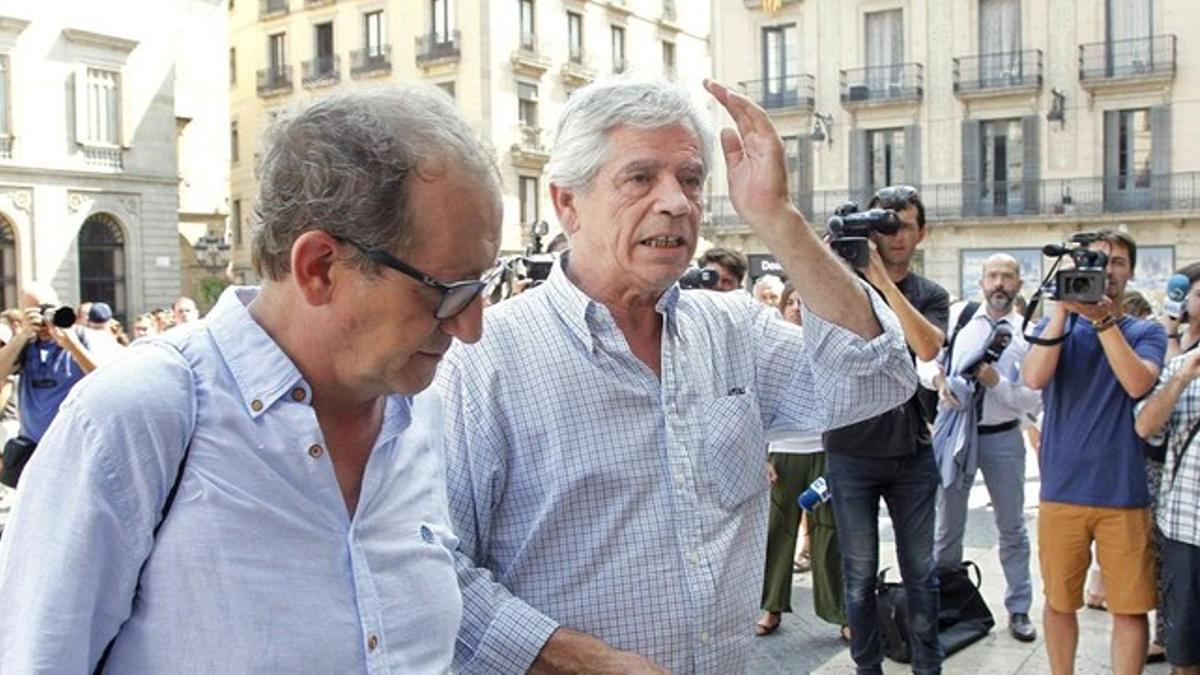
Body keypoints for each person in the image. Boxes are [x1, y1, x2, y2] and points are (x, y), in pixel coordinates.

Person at [0, 85, 502, 671]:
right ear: (319, 267)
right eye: (447, 292)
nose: (470, 328)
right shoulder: (139, 416)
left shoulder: (420, 413)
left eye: (481, 287)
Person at [437, 77, 916, 673]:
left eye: (690, 180)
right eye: (641, 178)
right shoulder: (483, 357)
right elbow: (435, 565)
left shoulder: (735, 328)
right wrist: (586, 663)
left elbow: (877, 380)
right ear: (566, 203)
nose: (677, 202)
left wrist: (778, 219)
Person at [1023, 228, 1167, 675]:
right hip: (1061, 489)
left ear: (1130, 273)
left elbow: (1138, 383)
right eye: (1095, 261)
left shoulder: (1147, 330)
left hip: (1123, 492)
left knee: (1128, 607)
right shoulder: (1057, 330)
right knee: (1059, 601)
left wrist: (1103, 320)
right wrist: (1062, 311)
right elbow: (1033, 378)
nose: (1106, 271)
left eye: (1118, 262)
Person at [822, 184, 949, 675]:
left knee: (922, 574)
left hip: (912, 451)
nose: (893, 237)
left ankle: (927, 668)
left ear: (921, 233)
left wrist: (877, 276)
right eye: (884, 226)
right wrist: (836, 260)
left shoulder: (929, 294)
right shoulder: (839, 288)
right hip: (850, 450)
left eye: (904, 227)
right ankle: (866, 668)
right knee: (857, 576)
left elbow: (927, 347)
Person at [932, 254, 1042, 642]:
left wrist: (997, 383)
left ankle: (1019, 609)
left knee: (1012, 528)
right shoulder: (960, 319)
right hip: (957, 435)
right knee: (947, 528)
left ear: (1018, 285)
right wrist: (938, 381)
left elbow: (1033, 400)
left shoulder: (1029, 335)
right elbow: (929, 360)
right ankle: (944, 603)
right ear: (981, 282)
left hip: (1002, 439)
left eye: (1007, 277)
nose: (999, 283)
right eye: (992, 276)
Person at [757, 282, 848, 640]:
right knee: (777, 533)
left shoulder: (830, 350)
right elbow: (753, 402)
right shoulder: (768, 350)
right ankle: (771, 606)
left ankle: (840, 612)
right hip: (782, 452)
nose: (796, 308)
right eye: (790, 302)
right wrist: (759, 455)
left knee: (829, 533)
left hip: (825, 452)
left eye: (804, 302)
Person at [1135, 344, 1200, 675]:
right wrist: (1181, 379)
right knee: (1185, 648)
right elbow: (1145, 428)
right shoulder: (1181, 366)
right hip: (1188, 524)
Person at [0, 282, 98, 450]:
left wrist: (72, 345)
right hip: (31, 447)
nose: (43, 318)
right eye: (35, 312)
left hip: (72, 445)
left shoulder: (80, 337)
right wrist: (22, 335)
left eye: (47, 309)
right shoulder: (25, 343)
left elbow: (102, 378)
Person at [1162, 262, 1200, 359]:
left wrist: (1170, 336)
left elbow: (1177, 370)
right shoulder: (1181, 335)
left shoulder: (1172, 336)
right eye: (1199, 295)